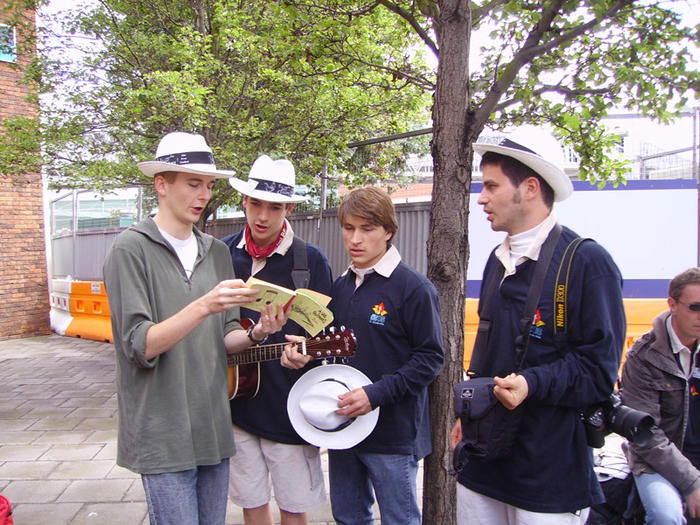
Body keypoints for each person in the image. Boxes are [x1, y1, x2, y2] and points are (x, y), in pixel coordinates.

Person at [103, 132, 288, 525]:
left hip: (213, 426)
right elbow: (140, 345)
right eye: (192, 183)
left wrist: (258, 333)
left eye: (207, 185)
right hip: (161, 430)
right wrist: (203, 305)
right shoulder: (129, 249)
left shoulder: (217, 251)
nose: (203, 194)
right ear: (161, 184)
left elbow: (226, 341)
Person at [450, 127, 626, 524]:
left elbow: (599, 373)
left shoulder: (586, 263)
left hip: (548, 475)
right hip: (484, 462)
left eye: (492, 186)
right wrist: (467, 415)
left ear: (529, 187)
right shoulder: (497, 261)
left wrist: (532, 383)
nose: (482, 198)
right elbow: (488, 350)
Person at [283, 186, 445, 525]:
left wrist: (375, 395)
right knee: (348, 517)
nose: (355, 238)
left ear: (388, 231)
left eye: (367, 228)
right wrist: (305, 354)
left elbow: (430, 359)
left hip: (393, 436)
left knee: (399, 520)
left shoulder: (414, 289)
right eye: (348, 228)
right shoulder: (341, 287)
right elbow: (335, 348)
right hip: (343, 428)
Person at [222, 155, 333, 525]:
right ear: (244, 201)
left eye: (274, 207)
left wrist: (306, 357)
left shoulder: (310, 262)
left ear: (288, 208)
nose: (263, 216)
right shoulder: (222, 254)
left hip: (288, 409)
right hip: (235, 402)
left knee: (293, 508)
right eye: (256, 203)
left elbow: (325, 337)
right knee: (251, 504)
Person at [620, 267, 700, 525]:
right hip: (657, 461)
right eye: (695, 307)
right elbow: (645, 434)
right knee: (667, 516)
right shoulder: (643, 356)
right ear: (672, 304)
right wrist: (692, 481)